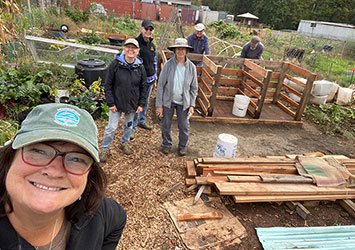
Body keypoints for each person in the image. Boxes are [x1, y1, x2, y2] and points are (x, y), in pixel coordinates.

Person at [0, 103, 126, 249]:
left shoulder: (96, 213)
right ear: (10, 157)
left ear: (89, 174)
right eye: (39, 151)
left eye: (76, 159)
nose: (54, 171)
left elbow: (118, 220)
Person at [100, 38, 147, 159]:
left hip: (132, 103)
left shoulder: (140, 67)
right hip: (116, 102)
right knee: (111, 128)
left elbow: (143, 87)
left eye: (134, 48)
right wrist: (110, 103)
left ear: (138, 51)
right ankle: (105, 148)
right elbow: (108, 84)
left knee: (129, 125)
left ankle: (125, 142)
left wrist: (141, 104)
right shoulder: (116, 64)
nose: (130, 50)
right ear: (124, 49)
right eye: (128, 47)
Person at [155, 38, 198, 156]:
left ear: (186, 51)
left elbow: (194, 88)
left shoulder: (191, 67)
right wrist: (159, 105)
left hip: (184, 102)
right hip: (168, 100)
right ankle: (167, 144)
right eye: (178, 49)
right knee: (166, 124)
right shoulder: (168, 65)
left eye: (183, 49)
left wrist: (192, 105)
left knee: (184, 126)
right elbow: (160, 86)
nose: (180, 51)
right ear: (174, 50)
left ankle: (182, 146)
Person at [131, 20, 157, 140]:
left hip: (150, 80)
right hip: (139, 80)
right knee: (137, 104)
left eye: (150, 29)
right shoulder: (136, 44)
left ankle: (142, 120)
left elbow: (154, 62)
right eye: (146, 29)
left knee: (145, 102)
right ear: (141, 29)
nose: (148, 31)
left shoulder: (152, 46)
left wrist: (155, 77)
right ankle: (132, 127)